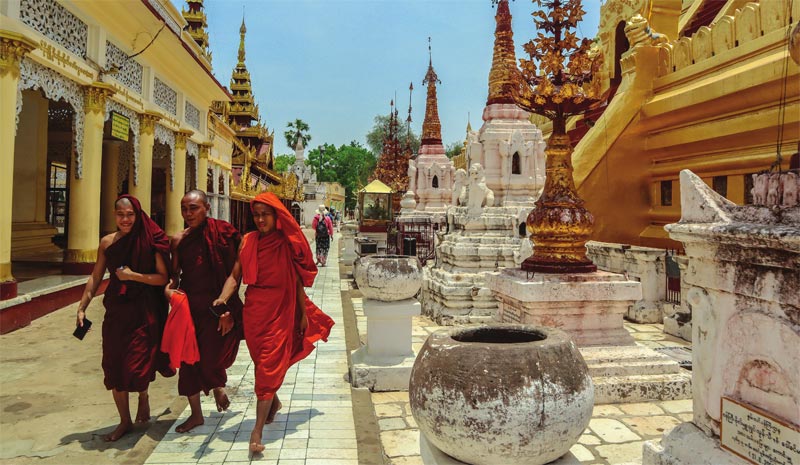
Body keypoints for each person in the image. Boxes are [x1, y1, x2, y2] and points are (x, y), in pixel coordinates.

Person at [213, 192, 334, 453]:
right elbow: (236, 275)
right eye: (255, 215)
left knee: (267, 366)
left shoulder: (286, 243)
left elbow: (297, 280)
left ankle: (256, 432)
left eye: (264, 214)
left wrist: (302, 314)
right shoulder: (248, 241)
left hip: (281, 307)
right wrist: (223, 298)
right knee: (261, 363)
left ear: (275, 216)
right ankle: (273, 403)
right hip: (255, 309)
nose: (259, 219)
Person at [75, 195, 172, 442]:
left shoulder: (150, 240)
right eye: (120, 214)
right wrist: (82, 306)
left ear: (138, 215)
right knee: (114, 363)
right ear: (114, 215)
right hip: (117, 311)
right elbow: (95, 277)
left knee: (138, 364)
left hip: (143, 310)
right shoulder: (107, 242)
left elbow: (162, 278)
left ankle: (143, 395)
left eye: (130, 215)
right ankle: (124, 421)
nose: (125, 219)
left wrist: (133, 276)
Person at [166, 190, 243, 433]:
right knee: (188, 362)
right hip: (191, 308)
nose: (188, 214)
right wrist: (169, 292)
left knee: (211, 356)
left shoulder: (223, 233)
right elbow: (175, 276)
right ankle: (196, 415)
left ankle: (217, 383)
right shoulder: (179, 240)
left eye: (194, 208)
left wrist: (225, 306)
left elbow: (234, 273)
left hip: (219, 306)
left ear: (207, 208)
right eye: (184, 208)